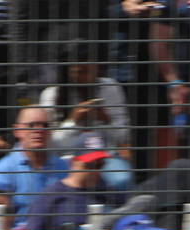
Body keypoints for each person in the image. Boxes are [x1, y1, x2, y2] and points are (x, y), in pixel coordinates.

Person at [37, 41, 133, 195]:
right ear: (68, 71)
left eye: (90, 71)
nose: (86, 77)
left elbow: (122, 138)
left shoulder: (110, 88)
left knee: (122, 178)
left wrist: (106, 120)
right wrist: (72, 122)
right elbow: (52, 145)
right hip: (67, 158)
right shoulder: (51, 95)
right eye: (80, 72)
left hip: (103, 157)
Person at [0, 106, 71, 228]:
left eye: (45, 125)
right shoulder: (1, 171)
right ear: (17, 131)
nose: (39, 130)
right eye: (32, 125)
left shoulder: (63, 166)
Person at [21, 149, 112, 230]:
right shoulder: (51, 194)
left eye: (101, 165)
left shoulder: (110, 192)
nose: (97, 172)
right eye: (91, 166)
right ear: (74, 163)